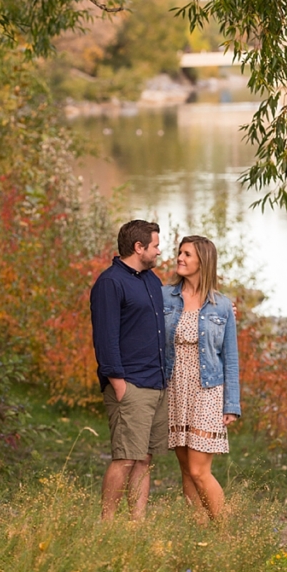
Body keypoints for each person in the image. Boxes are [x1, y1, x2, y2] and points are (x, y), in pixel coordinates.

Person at [90, 219, 167, 520]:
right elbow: (105, 338)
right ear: (139, 247)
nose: (159, 252)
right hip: (130, 385)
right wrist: (118, 384)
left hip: (155, 383)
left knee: (144, 459)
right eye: (156, 245)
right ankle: (107, 524)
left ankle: (137, 524)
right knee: (125, 458)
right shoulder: (110, 283)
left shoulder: (152, 280)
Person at [162, 235, 240, 519]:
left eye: (187, 254)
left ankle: (226, 531)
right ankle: (199, 530)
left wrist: (231, 404)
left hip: (207, 390)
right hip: (175, 388)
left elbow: (230, 357)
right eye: (179, 253)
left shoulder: (221, 306)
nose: (180, 258)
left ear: (202, 261)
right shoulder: (164, 296)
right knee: (185, 469)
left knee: (199, 469)